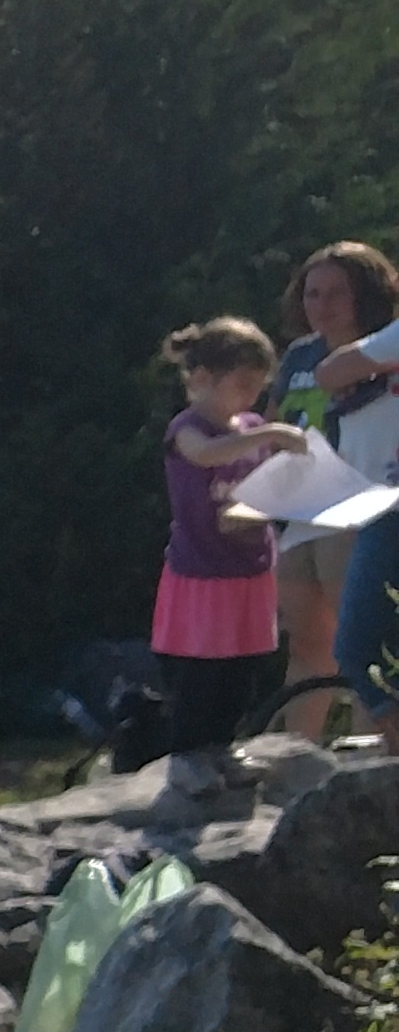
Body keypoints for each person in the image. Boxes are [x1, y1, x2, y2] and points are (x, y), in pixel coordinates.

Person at [265, 241, 399, 723]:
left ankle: (371, 751)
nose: (321, 305)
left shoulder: (385, 344)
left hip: (361, 500)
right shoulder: (300, 355)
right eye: (312, 293)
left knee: (362, 637)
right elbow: (276, 421)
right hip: (302, 504)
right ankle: (295, 754)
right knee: (305, 639)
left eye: (334, 293)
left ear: (365, 293)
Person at [156, 319, 295, 765]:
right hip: (203, 572)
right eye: (242, 384)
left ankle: (223, 747)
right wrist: (270, 434)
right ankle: (188, 756)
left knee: (242, 668)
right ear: (201, 380)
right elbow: (205, 455)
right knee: (203, 671)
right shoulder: (188, 428)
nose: (251, 397)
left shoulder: (250, 424)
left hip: (249, 569)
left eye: (258, 386)